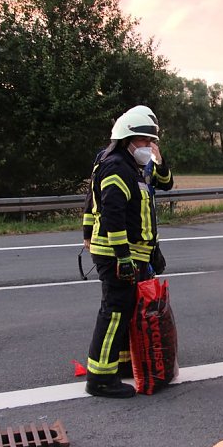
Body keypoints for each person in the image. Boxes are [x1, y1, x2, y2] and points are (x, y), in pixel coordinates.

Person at [81, 105, 165, 398]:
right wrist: (123, 257)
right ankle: (100, 379)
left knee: (125, 310)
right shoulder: (117, 166)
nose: (148, 147)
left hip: (132, 253)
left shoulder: (131, 166)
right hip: (118, 254)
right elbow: (112, 213)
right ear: (128, 140)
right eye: (144, 142)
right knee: (114, 311)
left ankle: (121, 365)